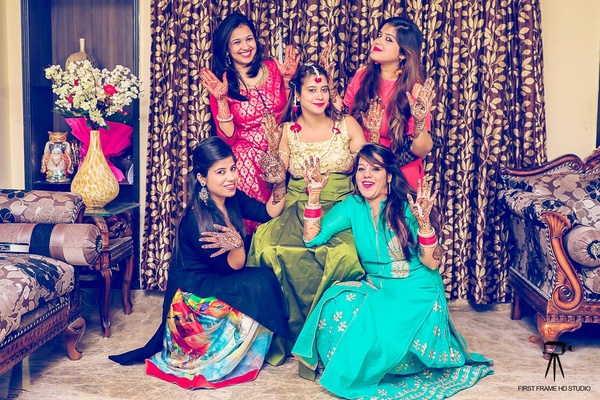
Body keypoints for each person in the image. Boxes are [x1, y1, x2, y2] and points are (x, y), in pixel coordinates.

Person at [292, 143, 493, 399]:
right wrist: (314, 194)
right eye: (361, 169)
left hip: (416, 288)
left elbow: (432, 263)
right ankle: (351, 366)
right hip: (378, 285)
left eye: (375, 169)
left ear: (389, 175)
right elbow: (313, 238)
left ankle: (385, 365)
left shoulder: (407, 206)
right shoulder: (352, 206)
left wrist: (424, 223)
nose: (366, 175)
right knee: (336, 302)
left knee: (379, 331)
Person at [109, 136, 290, 388]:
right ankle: (214, 354)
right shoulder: (197, 220)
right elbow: (232, 266)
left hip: (215, 279)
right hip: (191, 299)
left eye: (233, 168)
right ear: (202, 178)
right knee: (257, 286)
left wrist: (279, 184)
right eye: (221, 172)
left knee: (264, 279)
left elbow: (267, 212)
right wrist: (238, 245)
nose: (231, 177)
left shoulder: (232, 198)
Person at [247, 64, 367, 363]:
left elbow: (370, 166)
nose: (319, 95)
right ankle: (286, 337)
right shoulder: (288, 131)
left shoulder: (348, 125)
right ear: (298, 95)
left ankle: (329, 338)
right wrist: (272, 149)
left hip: (341, 205)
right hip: (297, 205)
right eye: (312, 90)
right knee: (270, 247)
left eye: (324, 89)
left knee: (343, 254)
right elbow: (278, 177)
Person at [200, 12, 300, 235]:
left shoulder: (274, 69)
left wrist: (286, 81)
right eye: (236, 42)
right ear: (226, 49)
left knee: (286, 225)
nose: (245, 47)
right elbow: (228, 138)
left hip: (282, 154)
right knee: (255, 225)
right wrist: (222, 101)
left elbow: (288, 114)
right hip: (247, 164)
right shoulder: (222, 83)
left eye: (249, 39)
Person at [325, 16, 437, 190]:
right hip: (363, 170)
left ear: (403, 54)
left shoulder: (414, 90)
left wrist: (420, 121)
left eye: (388, 39)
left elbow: (421, 150)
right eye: (379, 35)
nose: (378, 41)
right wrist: (328, 83)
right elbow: (344, 114)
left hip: (399, 176)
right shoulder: (362, 76)